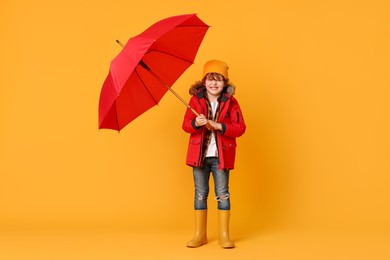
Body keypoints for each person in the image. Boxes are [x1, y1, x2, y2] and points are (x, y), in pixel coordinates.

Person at [182, 60, 246, 248]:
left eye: (218, 79)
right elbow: (185, 125)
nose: (214, 83)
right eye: (210, 79)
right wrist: (196, 123)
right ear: (204, 82)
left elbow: (241, 128)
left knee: (223, 194)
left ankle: (224, 236)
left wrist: (220, 126)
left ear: (225, 83)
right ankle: (199, 235)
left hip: (221, 156)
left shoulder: (232, 103)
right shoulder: (195, 101)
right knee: (200, 194)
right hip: (199, 156)